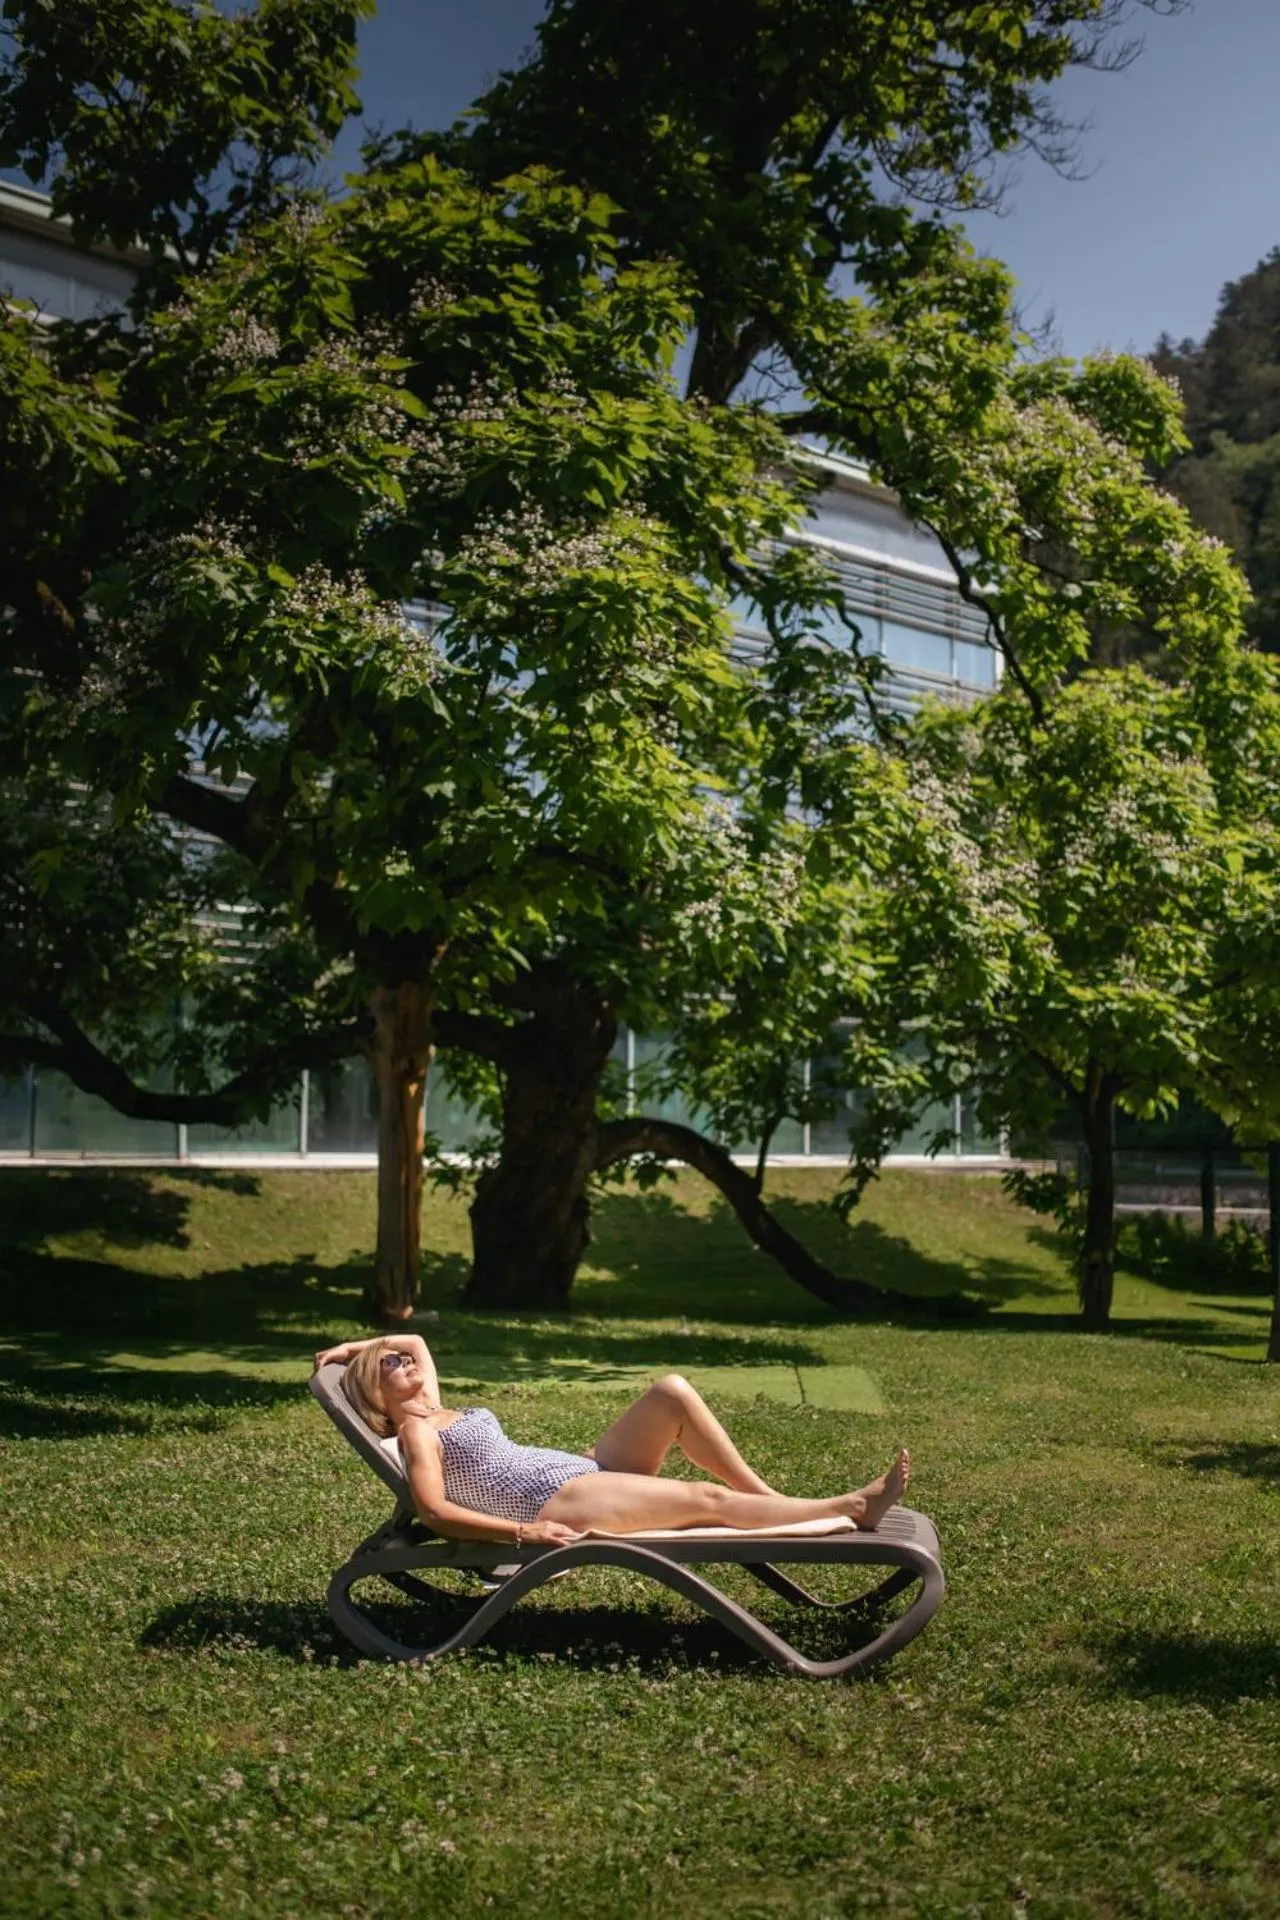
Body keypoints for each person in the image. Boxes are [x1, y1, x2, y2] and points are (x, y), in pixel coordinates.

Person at [314, 1334, 909, 1551]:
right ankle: (851, 1508)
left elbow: (415, 1337)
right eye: (387, 1364)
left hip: (584, 1469)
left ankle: (772, 1502)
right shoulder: (417, 1429)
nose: (402, 1358)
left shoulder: (434, 1404)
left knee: (672, 1392)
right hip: (553, 1501)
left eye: (396, 1357)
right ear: (378, 1392)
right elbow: (435, 1512)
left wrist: (348, 1351)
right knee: (704, 1499)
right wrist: (526, 1534)